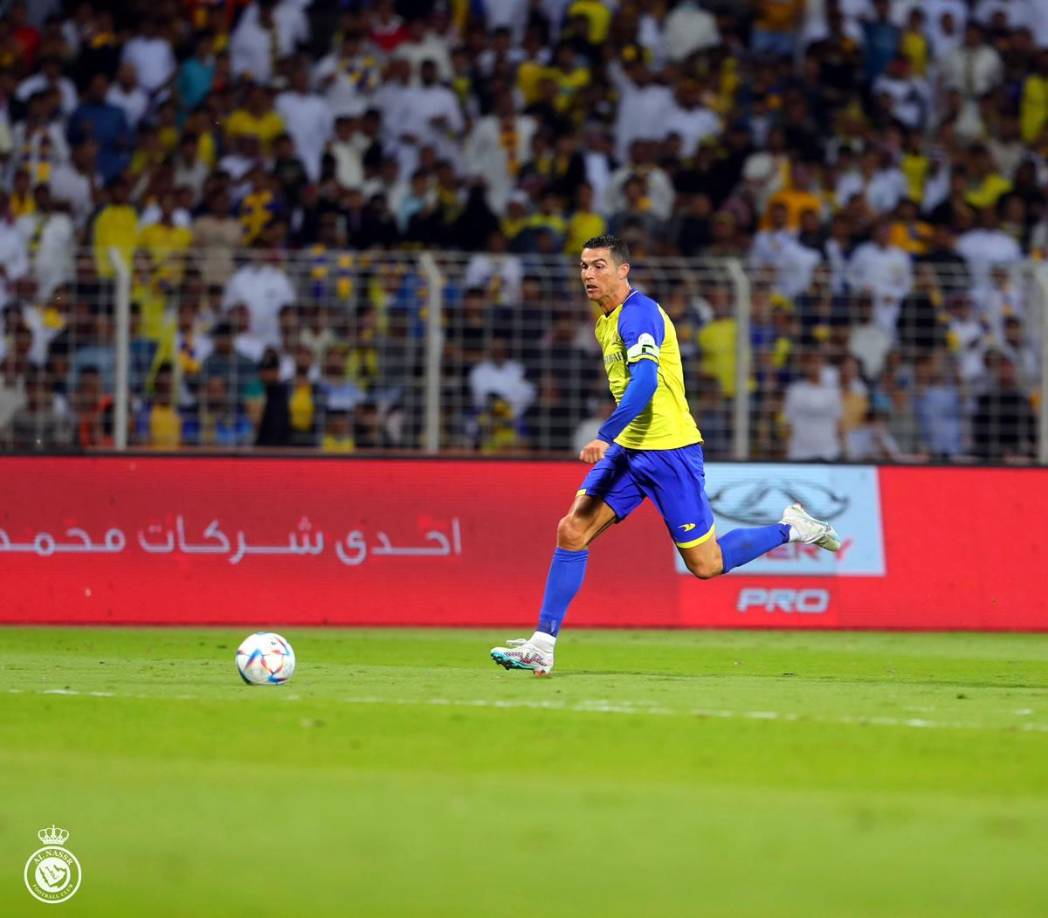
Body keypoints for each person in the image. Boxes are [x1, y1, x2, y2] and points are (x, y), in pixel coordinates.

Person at [490, 236, 842, 675]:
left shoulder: (638, 315)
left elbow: (645, 383)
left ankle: (793, 528)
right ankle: (542, 644)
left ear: (623, 270)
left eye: (598, 266)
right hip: (629, 451)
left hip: (669, 451)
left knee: (706, 564)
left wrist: (605, 433)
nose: (588, 275)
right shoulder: (605, 322)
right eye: (583, 266)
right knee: (572, 529)